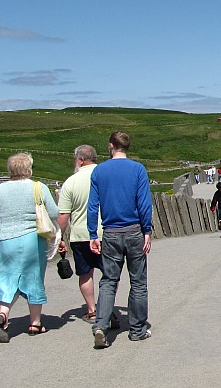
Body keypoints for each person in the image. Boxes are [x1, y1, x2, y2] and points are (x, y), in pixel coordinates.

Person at [88, 131, 153, 348]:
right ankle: (137, 330)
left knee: (108, 281)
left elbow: (92, 206)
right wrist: (147, 230)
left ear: (111, 146)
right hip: (134, 230)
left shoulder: (99, 171)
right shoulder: (137, 169)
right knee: (138, 282)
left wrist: (92, 234)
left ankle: (101, 326)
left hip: (111, 232)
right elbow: (144, 203)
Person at [0, 152, 59, 342]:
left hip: (6, 240)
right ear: (29, 169)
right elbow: (53, 212)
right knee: (33, 278)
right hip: (31, 239)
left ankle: (3, 314)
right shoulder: (38, 187)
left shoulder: (0, 190)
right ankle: (35, 323)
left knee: (7, 277)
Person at [55, 145, 119, 329]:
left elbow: (63, 215)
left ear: (81, 160)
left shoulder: (71, 182)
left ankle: (92, 310)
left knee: (85, 273)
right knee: (109, 274)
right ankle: (107, 308)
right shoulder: (106, 176)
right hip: (106, 232)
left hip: (81, 235)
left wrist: (59, 238)